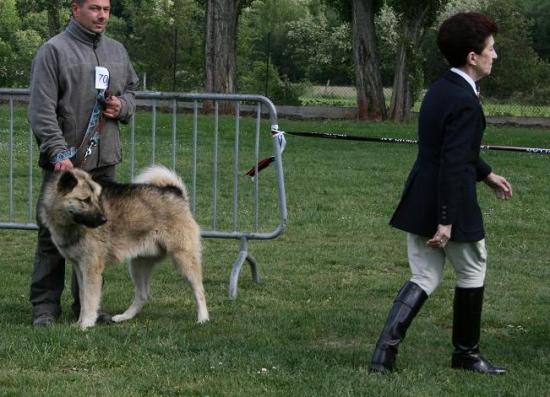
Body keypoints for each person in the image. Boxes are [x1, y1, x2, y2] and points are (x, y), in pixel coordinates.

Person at [369, 12, 512, 375]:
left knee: (425, 276)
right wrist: (446, 221)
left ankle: (382, 357)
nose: (495, 56)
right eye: (491, 49)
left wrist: (487, 173)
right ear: (472, 57)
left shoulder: (440, 89)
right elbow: (452, 164)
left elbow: (451, 148)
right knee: (473, 268)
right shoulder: (465, 100)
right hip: (449, 202)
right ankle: (466, 355)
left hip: (421, 196)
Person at [28, 0, 139, 327]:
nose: (102, 15)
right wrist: (57, 152)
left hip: (103, 162)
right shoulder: (53, 51)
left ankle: (87, 308)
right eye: (94, 8)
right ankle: (45, 308)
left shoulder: (118, 51)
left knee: (96, 236)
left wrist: (122, 107)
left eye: (106, 8)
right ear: (75, 9)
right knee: (52, 236)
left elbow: (132, 92)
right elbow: (41, 109)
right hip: (65, 166)